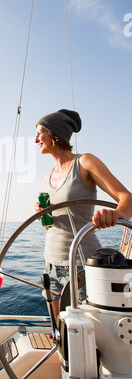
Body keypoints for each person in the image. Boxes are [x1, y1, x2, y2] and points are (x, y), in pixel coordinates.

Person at [35, 108, 132, 319]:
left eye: (39, 132)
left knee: (88, 335)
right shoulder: (47, 176)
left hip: (81, 264)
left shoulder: (84, 163)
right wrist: (44, 216)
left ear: (54, 134)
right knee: (59, 333)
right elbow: (49, 226)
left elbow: (127, 198)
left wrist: (116, 215)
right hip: (51, 261)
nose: (35, 139)